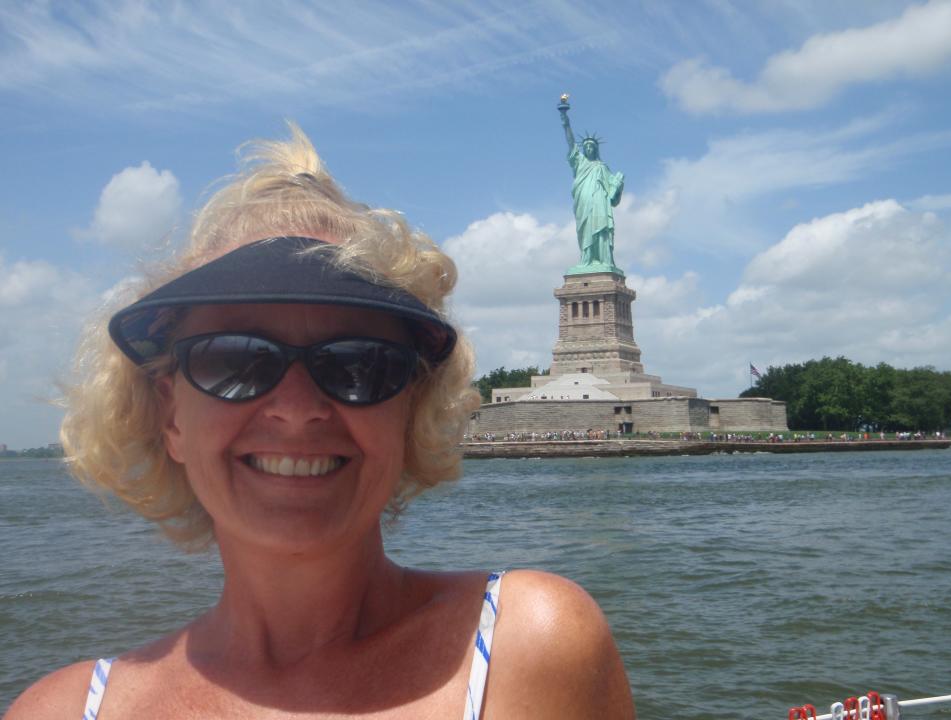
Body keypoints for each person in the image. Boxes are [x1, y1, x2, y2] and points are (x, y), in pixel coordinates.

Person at [5, 124, 634, 719]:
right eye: (235, 359)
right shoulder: (58, 710)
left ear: (410, 408)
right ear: (169, 413)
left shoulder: (532, 647)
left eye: (359, 365)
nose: (297, 407)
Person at [560, 111, 625, 269]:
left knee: (602, 228)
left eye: (591, 146)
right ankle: (587, 259)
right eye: (586, 146)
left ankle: (604, 260)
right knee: (586, 227)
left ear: (596, 149)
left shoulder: (602, 167)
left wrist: (617, 184)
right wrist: (565, 120)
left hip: (600, 201)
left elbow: (612, 191)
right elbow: (571, 143)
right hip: (583, 199)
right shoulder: (579, 162)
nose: (588, 148)